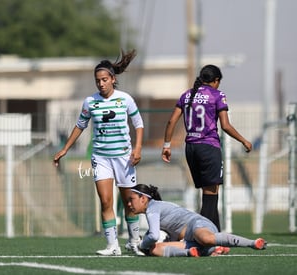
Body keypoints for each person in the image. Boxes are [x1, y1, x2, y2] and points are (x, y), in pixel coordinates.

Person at [53, 49, 144, 256]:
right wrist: (64, 149)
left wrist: (137, 149)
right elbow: (80, 126)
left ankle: (134, 241)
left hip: (124, 157)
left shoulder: (125, 100)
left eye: (104, 79)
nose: (101, 84)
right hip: (101, 157)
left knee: (130, 202)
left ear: (113, 79)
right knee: (105, 201)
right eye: (97, 80)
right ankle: (112, 245)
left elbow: (138, 124)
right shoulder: (90, 102)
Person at [161, 64, 252, 231]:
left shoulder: (186, 95)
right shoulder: (217, 95)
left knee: (210, 193)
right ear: (216, 81)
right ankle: (200, 236)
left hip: (191, 148)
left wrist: (166, 145)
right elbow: (225, 125)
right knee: (210, 196)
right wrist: (244, 140)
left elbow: (171, 121)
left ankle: (215, 236)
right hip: (208, 147)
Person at [128, 184, 267, 257]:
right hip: (189, 242)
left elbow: (153, 235)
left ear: (143, 199)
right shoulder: (153, 210)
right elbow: (159, 236)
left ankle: (252, 243)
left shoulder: (153, 208)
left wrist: (142, 245)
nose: (129, 204)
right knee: (155, 251)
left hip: (197, 225)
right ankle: (193, 252)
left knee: (206, 239)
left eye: (131, 200)